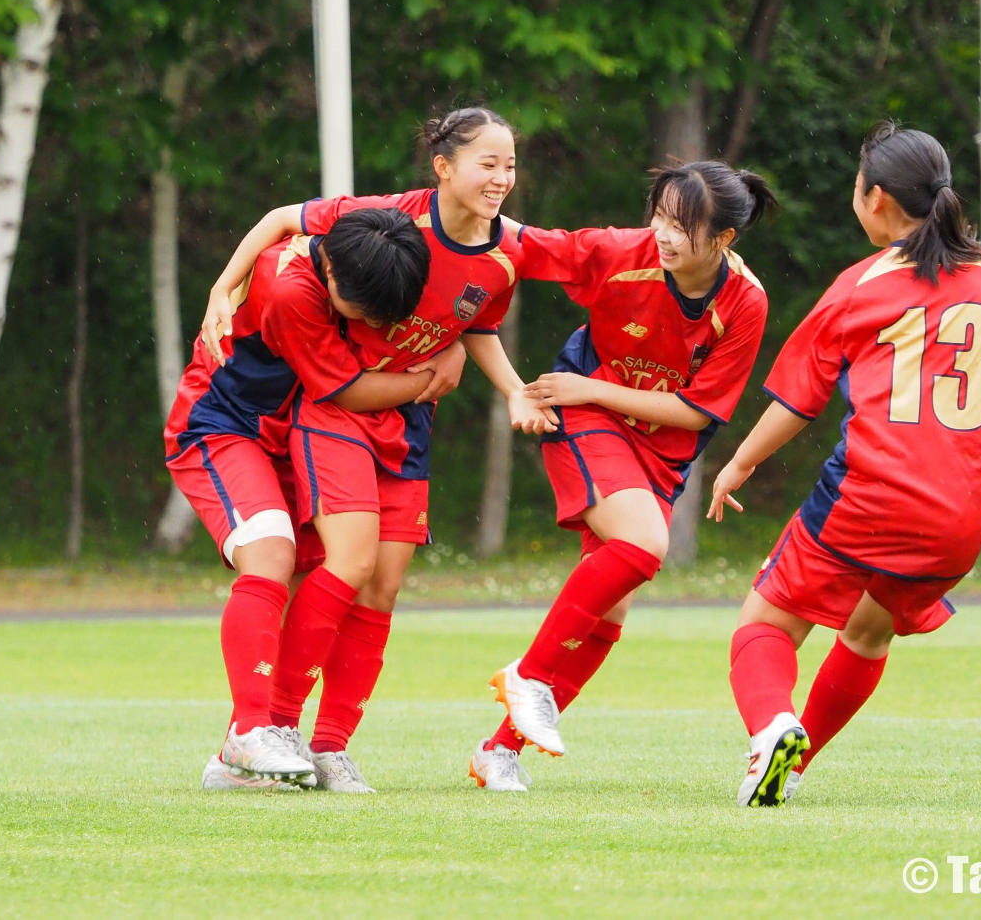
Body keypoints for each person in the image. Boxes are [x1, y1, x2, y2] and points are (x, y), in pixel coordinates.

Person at [709, 123, 981, 807]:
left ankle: (774, 728)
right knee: (868, 633)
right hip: (964, 514)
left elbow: (797, 401)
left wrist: (739, 462)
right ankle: (791, 763)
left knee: (766, 624)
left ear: (875, 199)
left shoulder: (861, 285)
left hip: (872, 494)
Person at [199, 107, 555, 792]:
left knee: (384, 584)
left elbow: (473, 320)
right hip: (337, 408)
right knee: (343, 560)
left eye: (510, 164)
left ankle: (328, 746)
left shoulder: (507, 252)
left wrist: (511, 389)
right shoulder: (382, 222)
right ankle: (260, 732)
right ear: (443, 166)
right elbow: (282, 220)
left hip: (406, 420)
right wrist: (224, 286)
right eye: (488, 162)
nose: (502, 177)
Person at [470, 161, 777, 792]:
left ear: (723, 241)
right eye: (660, 216)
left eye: (682, 225)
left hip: (659, 448)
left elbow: (696, 411)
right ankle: (527, 676)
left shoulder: (745, 302)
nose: (662, 234)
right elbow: (520, 242)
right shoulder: (622, 253)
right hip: (582, 412)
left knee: (609, 612)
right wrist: (438, 214)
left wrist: (594, 388)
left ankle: (498, 751)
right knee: (644, 546)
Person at [165, 207, 431, 790]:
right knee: (268, 553)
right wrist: (431, 377)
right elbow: (343, 388)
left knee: (307, 592)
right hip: (224, 427)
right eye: (362, 311)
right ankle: (250, 734)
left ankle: (238, 761)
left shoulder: (373, 228)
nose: (375, 324)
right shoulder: (287, 289)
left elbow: (282, 214)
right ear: (332, 271)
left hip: (291, 439)